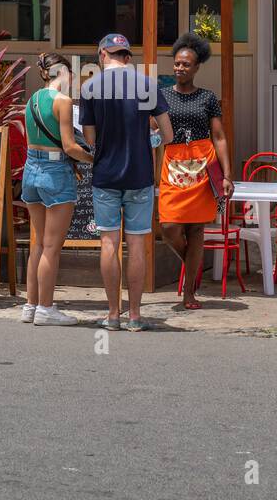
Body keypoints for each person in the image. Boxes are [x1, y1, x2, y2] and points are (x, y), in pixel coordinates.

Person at [80, 33, 173, 331]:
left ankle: (112, 315)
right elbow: (167, 136)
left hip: (105, 176)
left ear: (103, 55)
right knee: (136, 244)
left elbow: (90, 138)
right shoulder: (147, 84)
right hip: (140, 176)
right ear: (128, 57)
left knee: (108, 243)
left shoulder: (90, 87)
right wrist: (151, 137)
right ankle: (134, 316)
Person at [159, 32, 234, 309]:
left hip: (203, 164)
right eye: (177, 63)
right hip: (173, 163)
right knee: (168, 228)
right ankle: (191, 261)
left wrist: (227, 175)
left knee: (196, 230)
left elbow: (220, 136)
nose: (180, 68)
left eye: (186, 64)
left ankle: (189, 290)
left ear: (197, 67)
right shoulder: (162, 96)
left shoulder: (208, 97)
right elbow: (152, 130)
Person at [21, 53, 93, 327]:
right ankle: (46, 309)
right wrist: (94, 159)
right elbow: (70, 146)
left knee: (38, 244)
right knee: (52, 247)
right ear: (62, 72)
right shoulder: (63, 102)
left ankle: (31, 305)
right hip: (55, 173)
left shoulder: (32, 100)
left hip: (31, 171)